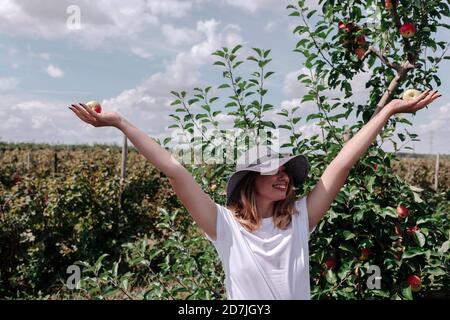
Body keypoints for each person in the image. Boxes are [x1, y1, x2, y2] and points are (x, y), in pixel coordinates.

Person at [69, 89, 441, 299]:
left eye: (286, 172)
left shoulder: (299, 220)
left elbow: (341, 164)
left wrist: (389, 110)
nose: (283, 177)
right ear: (250, 179)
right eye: (272, 171)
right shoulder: (224, 225)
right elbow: (174, 169)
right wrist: (119, 122)